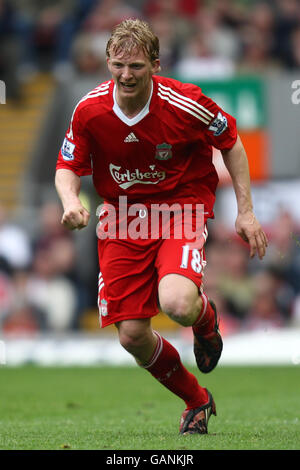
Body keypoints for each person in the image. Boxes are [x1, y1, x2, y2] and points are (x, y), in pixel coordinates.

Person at [55, 19, 268, 435]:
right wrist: (69, 202)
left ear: (155, 63)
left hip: (179, 209)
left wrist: (245, 211)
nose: (125, 75)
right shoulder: (90, 110)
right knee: (132, 336)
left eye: (135, 66)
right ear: (107, 63)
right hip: (121, 220)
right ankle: (197, 399)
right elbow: (67, 165)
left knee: (177, 303)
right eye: (117, 65)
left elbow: (231, 142)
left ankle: (205, 323)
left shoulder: (186, 102)